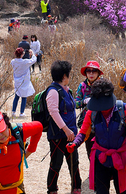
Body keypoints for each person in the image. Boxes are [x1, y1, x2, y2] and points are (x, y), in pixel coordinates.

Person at [67, 78, 126, 194]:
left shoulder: (124, 110)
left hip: (121, 158)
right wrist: (75, 143)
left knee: (124, 192)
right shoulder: (92, 112)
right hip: (101, 158)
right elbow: (83, 133)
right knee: (101, 191)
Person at [46, 60, 82, 194]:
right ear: (64, 76)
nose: (69, 76)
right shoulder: (53, 91)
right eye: (68, 74)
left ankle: (76, 187)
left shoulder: (66, 90)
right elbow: (53, 112)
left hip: (71, 134)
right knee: (56, 163)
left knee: (74, 162)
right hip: (58, 135)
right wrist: (66, 129)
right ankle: (52, 189)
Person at [75, 60, 103, 158]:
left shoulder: (103, 85)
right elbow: (76, 104)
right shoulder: (82, 86)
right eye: (89, 71)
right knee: (90, 152)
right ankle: (92, 173)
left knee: (103, 152)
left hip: (102, 123)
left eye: (94, 71)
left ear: (98, 73)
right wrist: (84, 101)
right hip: (87, 125)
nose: (91, 73)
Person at [10, 47, 37, 118]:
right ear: (22, 54)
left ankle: (13, 112)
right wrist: (32, 54)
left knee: (16, 97)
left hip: (17, 81)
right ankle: (22, 113)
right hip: (24, 82)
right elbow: (34, 60)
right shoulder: (25, 62)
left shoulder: (13, 61)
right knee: (24, 97)